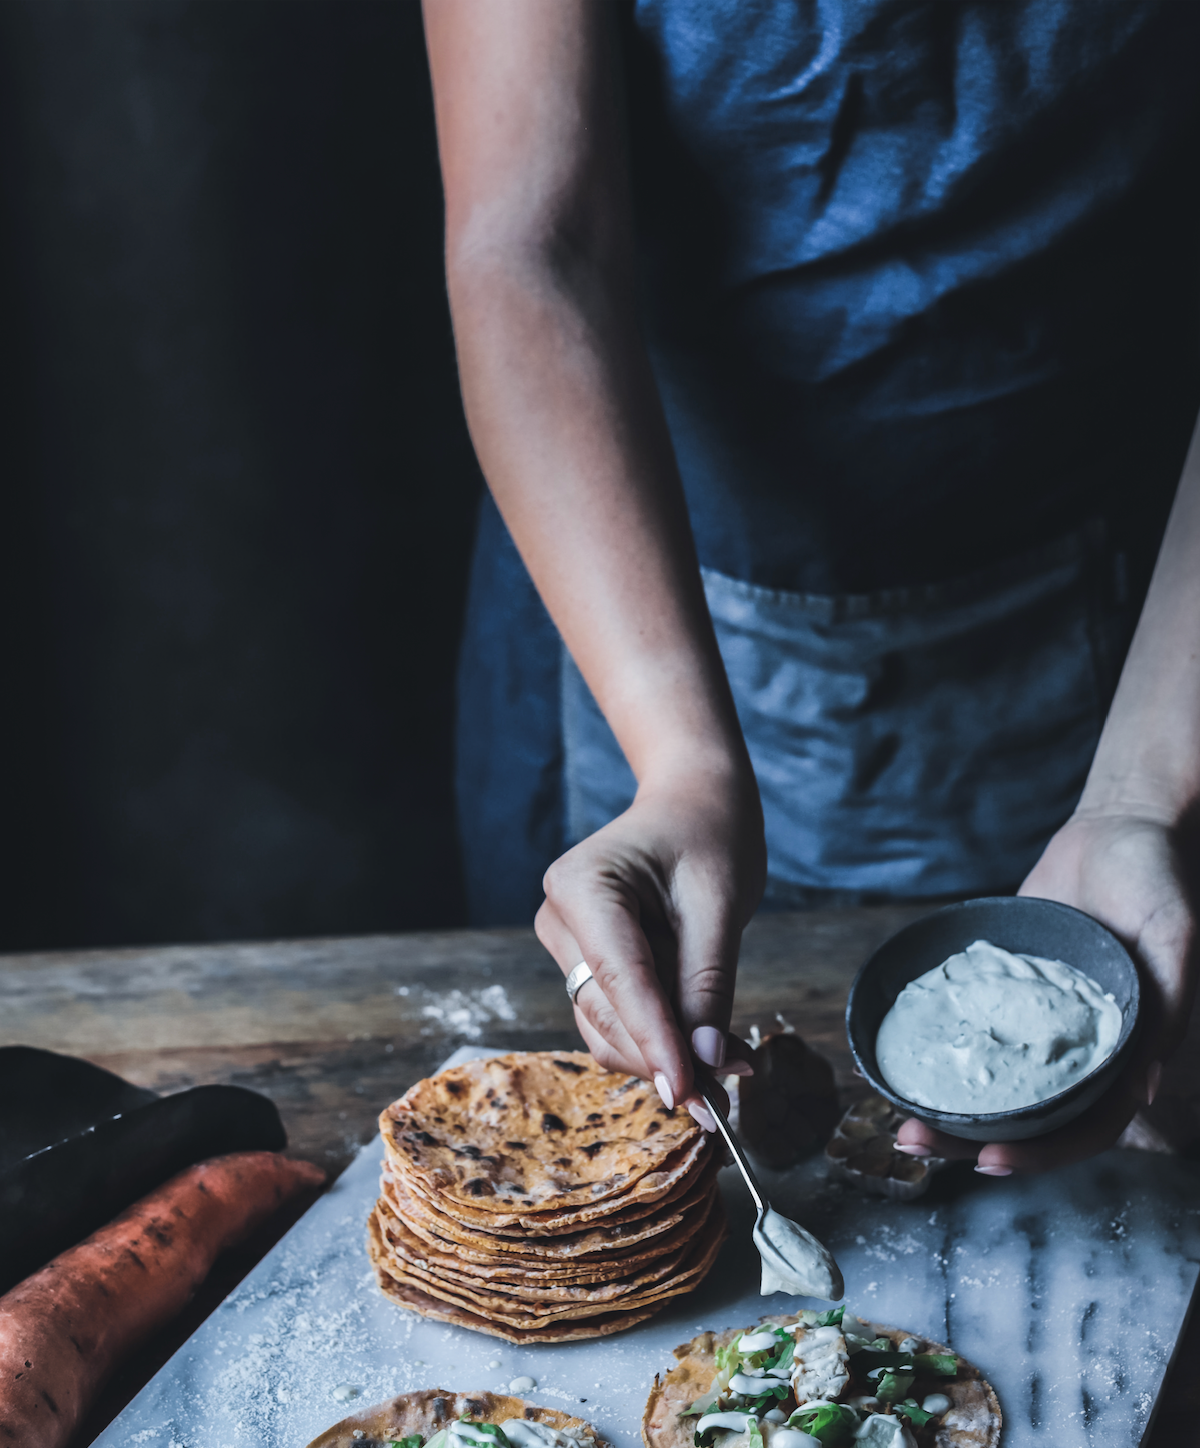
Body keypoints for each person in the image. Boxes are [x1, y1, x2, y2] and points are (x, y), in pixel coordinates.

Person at [425, 0, 1200, 1176]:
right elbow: (534, 245)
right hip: (639, 602)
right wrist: (681, 759)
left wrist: (1147, 789)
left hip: (1138, 623)